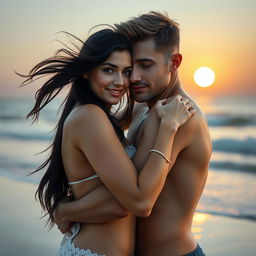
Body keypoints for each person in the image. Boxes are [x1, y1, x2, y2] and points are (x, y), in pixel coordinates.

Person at [22, 28, 194, 256]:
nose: (121, 82)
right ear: (87, 71)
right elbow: (138, 202)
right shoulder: (89, 117)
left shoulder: (95, 116)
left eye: (126, 71)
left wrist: (67, 211)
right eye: (108, 70)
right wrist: (168, 127)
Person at [54, 12, 212, 256]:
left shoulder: (181, 118)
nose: (133, 78)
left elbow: (132, 200)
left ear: (174, 62)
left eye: (145, 65)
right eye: (131, 68)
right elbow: (100, 152)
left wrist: (67, 211)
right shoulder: (140, 110)